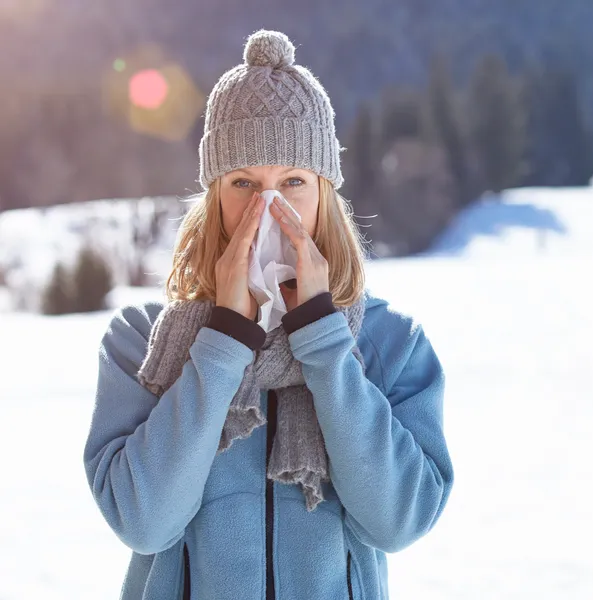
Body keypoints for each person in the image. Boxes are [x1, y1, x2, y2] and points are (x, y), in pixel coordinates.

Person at [83, 30, 454, 600]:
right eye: (244, 183)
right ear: (213, 196)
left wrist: (325, 344)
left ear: (325, 192)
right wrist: (223, 339)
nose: (269, 207)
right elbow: (145, 521)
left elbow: (399, 521)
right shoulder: (141, 344)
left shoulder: (391, 344)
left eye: (293, 182)